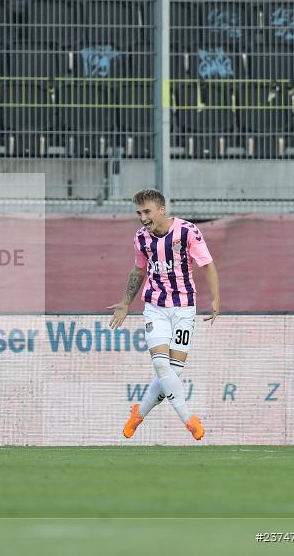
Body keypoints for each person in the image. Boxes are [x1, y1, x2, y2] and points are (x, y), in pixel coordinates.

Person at [108, 188, 219, 441]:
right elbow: (138, 271)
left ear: (161, 209)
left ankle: (139, 412)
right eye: (139, 212)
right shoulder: (140, 238)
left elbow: (207, 264)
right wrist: (126, 303)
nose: (142, 217)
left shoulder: (187, 231)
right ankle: (188, 419)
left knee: (173, 371)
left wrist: (215, 299)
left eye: (146, 211)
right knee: (161, 364)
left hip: (183, 308)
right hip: (155, 307)